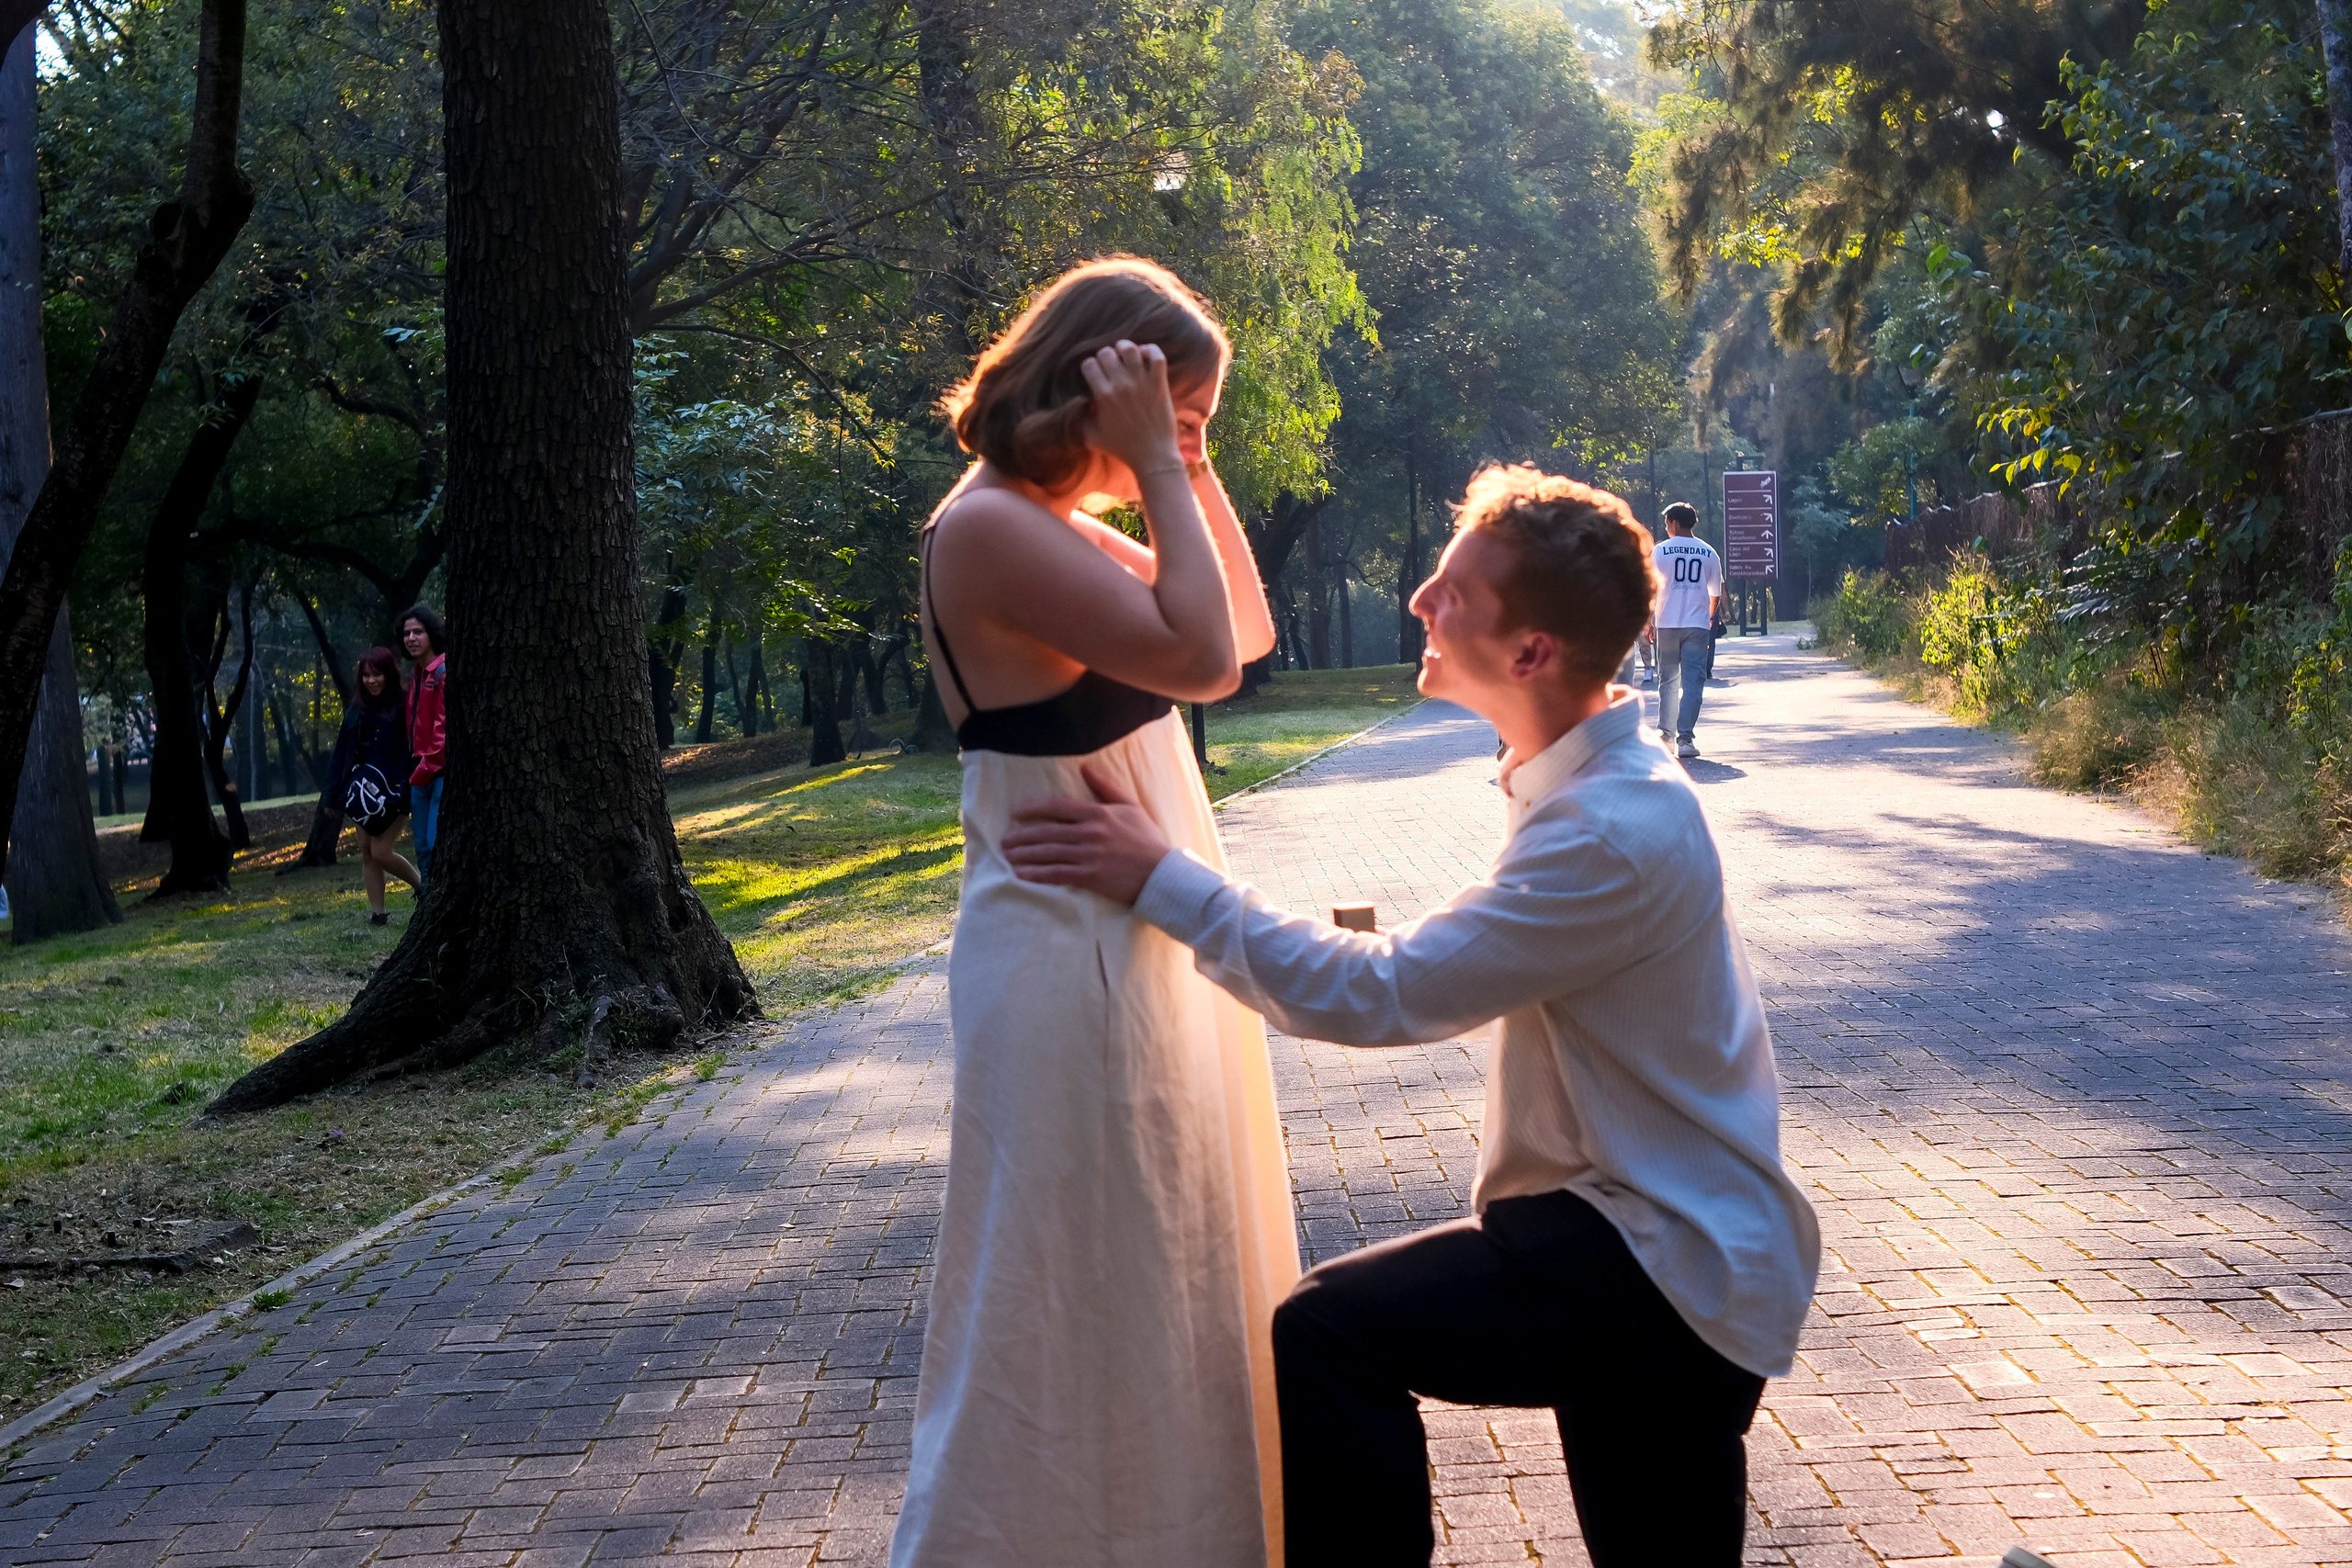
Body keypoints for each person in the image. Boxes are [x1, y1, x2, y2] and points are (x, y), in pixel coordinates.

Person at [1001, 465, 1820, 1568]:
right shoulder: (1581, 785)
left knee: (1328, 1330)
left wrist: (1162, 878)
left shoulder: (1609, 830)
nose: (1419, 602)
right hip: (1637, 1244)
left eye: (1452, 593)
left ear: (1530, 654)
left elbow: (1387, 992)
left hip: (1658, 1264)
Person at [888, 256, 1293, 1568]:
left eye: (1193, 423)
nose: (1175, 447)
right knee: (1067, 1294)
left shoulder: (1050, 521)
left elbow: (1241, 626)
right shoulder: (995, 523)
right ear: (1095, 385)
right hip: (1073, 959)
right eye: (1169, 412)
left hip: (1131, 937)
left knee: (1159, 1271)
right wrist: (1159, 467)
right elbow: (1198, 659)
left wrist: (1190, 461)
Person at [327, 648, 422, 926]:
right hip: (364, 793)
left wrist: (406, 789)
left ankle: (423, 887)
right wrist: (332, 798)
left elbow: (412, 749)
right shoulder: (357, 709)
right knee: (367, 853)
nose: (371, 680)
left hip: (396, 792)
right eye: (366, 675)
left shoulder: (405, 703)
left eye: (377, 674)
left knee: (381, 851)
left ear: (389, 674)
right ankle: (378, 914)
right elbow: (341, 753)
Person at [1651, 501, 1721, 759]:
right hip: (1696, 624)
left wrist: (1650, 620)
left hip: (1667, 622)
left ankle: (1666, 737)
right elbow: (1715, 594)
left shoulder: (1661, 551)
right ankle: (1686, 740)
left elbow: (1651, 588)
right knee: (1693, 682)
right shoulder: (1709, 552)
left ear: (1675, 523)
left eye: (1668, 522)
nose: (1666, 527)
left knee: (1668, 680)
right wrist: (1708, 619)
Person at [399, 604, 447, 880]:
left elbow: (443, 730)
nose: (412, 638)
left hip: (437, 771)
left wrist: (421, 771)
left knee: (434, 842)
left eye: (418, 632)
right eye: (407, 633)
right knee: (421, 848)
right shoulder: (417, 674)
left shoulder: (441, 671)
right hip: (419, 771)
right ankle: (429, 902)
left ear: (432, 634)